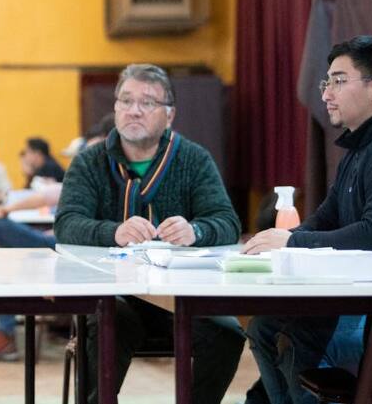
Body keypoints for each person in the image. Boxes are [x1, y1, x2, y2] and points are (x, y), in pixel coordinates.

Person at [55, 63, 245, 404]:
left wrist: (195, 230)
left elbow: (227, 223)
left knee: (227, 332)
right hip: (114, 295)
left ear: (169, 115)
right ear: (115, 108)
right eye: (126, 101)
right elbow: (67, 223)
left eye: (147, 102)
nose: (134, 110)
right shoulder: (89, 162)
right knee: (108, 322)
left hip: (180, 296)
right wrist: (114, 232)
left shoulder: (193, 159)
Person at [242, 35, 372, 404]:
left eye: (339, 81)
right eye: (326, 83)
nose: (326, 94)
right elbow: (324, 218)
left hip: (370, 307)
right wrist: (275, 244)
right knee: (264, 327)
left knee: (291, 334)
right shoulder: (358, 149)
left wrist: (292, 241)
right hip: (354, 296)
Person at [0, 115, 116, 360]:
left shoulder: (109, 172)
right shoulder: (100, 169)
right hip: (67, 242)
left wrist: (4, 210)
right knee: (5, 267)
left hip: (74, 250)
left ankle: (5, 335)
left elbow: (52, 194)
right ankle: (5, 333)